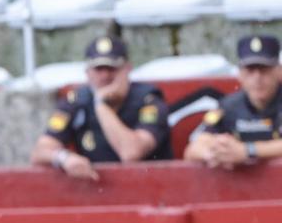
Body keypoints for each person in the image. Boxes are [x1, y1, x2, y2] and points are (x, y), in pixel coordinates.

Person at [31, 35, 170, 181]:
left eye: (112, 68)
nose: (105, 76)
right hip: (96, 189)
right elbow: (39, 152)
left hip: (149, 188)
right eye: (99, 69)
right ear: (88, 72)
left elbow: (130, 153)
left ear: (127, 69)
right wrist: (63, 157)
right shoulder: (75, 102)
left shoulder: (149, 101)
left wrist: (101, 105)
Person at [186, 34, 282, 169]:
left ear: (279, 71)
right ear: (240, 75)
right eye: (250, 71)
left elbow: (244, 151)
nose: (257, 78)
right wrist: (215, 153)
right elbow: (193, 148)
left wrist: (248, 151)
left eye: (264, 70)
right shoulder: (228, 106)